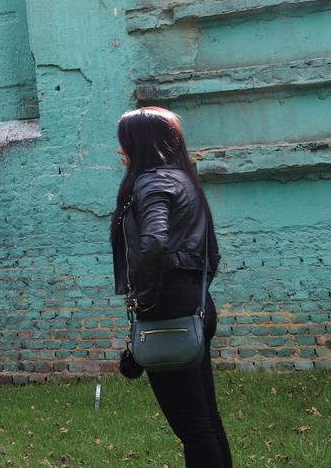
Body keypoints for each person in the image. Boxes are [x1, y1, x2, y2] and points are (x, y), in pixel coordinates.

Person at [111, 107, 231, 467]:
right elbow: (212, 252)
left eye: (124, 142)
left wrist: (144, 301)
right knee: (205, 419)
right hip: (194, 302)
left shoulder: (152, 181)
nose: (120, 150)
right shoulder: (183, 179)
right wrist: (194, 289)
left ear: (142, 142)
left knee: (192, 426)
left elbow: (154, 242)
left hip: (168, 307)